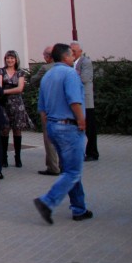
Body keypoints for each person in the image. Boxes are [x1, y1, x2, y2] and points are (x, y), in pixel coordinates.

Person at [34, 43, 92, 224]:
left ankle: (79, 208)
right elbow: (74, 100)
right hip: (68, 127)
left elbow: (42, 109)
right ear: (66, 57)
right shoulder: (70, 74)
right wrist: (81, 121)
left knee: (70, 170)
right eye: (71, 54)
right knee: (73, 171)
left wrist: (50, 126)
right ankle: (47, 201)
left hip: (53, 126)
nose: (73, 57)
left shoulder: (47, 75)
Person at [0, 50, 33, 168]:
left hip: (17, 104)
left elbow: (20, 88)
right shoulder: (0, 71)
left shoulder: (20, 72)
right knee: (5, 129)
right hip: (4, 104)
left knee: (17, 129)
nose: (10, 60)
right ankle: (4, 157)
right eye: (8, 58)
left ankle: (18, 157)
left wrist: (5, 91)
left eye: (12, 58)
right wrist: (4, 91)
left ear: (16, 60)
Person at [34, 46, 61, 176]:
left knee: (49, 137)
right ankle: (63, 164)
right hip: (62, 107)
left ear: (47, 56)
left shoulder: (45, 68)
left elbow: (34, 81)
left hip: (48, 106)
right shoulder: (66, 68)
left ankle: (53, 167)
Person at [71, 41, 98, 161]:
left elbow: (85, 78)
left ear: (80, 52)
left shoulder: (85, 62)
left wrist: (73, 76)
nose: (72, 53)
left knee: (90, 127)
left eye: (74, 51)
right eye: (70, 51)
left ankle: (92, 152)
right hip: (75, 100)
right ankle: (79, 152)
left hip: (86, 100)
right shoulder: (70, 63)